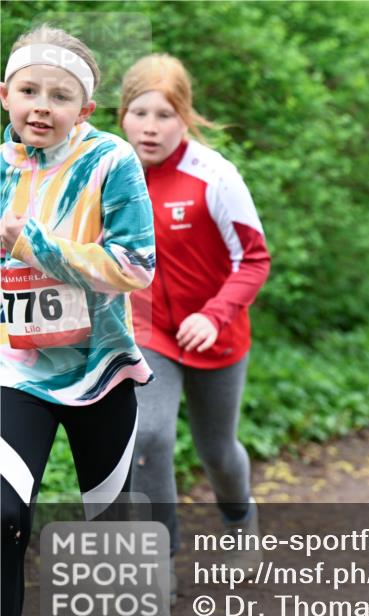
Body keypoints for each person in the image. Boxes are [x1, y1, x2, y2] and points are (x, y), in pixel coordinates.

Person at [0, 25, 192, 616]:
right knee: (2, 514)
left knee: (106, 528)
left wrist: (32, 244)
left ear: (83, 110)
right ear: (6, 95)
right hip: (15, 367)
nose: (41, 107)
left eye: (59, 96)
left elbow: (136, 265)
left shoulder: (110, 160)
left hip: (98, 369)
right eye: (29, 91)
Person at [120, 54, 270, 583]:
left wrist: (214, 314)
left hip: (217, 332)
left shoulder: (215, 176)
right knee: (150, 436)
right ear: (121, 115)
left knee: (218, 451)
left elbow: (255, 260)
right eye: (140, 113)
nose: (151, 127)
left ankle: (238, 516)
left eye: (165, 114)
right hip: (149, 329)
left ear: (186, 117)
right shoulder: (110, 172)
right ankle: (161, 559)